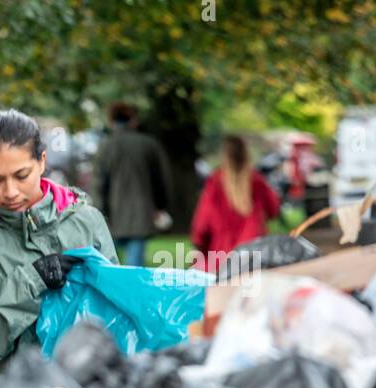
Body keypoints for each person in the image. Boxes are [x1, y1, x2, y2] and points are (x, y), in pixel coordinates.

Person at [0, 109, 117, 364]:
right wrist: (32, 281)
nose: (10, 192)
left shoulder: (87, 221)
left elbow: (114, 314)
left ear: (42, 161)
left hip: (86, 383)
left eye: (21, 176)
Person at [94, 102, 172, 267]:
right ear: (134, 120)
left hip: (111, 216)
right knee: (134, 267)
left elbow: (99, 184)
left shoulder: (105, 146)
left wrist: (99, 212)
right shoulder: (149, 144)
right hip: (141, 213)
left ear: (111, 120)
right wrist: (160, 207)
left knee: (108, 266)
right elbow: (161, 181)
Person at [190, 134, 281, 275]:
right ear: (246, 154)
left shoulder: (215, 183)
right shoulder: (257, 181)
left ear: (224, 156)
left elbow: (202, 223)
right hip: (253, 257)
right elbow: (273, 209)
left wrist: (198, 245)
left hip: (220, 259)